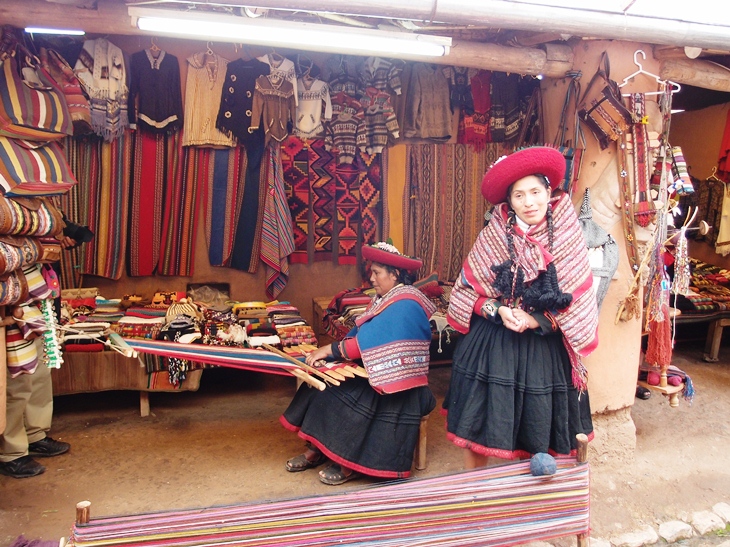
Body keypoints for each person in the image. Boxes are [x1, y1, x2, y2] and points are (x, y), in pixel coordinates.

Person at [443, 146, 599, 469]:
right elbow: (467, 293)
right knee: (478, 422)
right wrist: (498, 311)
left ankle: (533, 493)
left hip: (544, 352)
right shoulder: (494, 235)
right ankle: (478, 490)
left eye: (535, 192)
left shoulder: (568, 235)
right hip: (493, 345)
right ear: (509, 202)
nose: (529, 202)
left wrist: (534, 320)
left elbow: (576, 301)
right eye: (519, 195)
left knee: (538, 429)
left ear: (548, 192)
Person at [280, 242, 436, 485]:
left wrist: (331, 350)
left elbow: (372, 342)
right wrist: (333, 356)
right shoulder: (386, 299)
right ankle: (317, 449)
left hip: (402, 388)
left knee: (352, 398)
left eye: (377, 273)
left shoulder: (406, 304)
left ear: (395, 274)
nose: (371, 278)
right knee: (323, 381)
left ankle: (348, 463)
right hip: (381, 373)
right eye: (371, 272)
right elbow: (363, 334)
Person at [0, 217, 93, 478]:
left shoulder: (37, 209)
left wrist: (59, 237)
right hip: (11, 307)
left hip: (38, 300)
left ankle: (34, 435)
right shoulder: (6, 212)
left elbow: (67, 231)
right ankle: (11, 452)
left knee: (40, 373)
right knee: (16, 381)